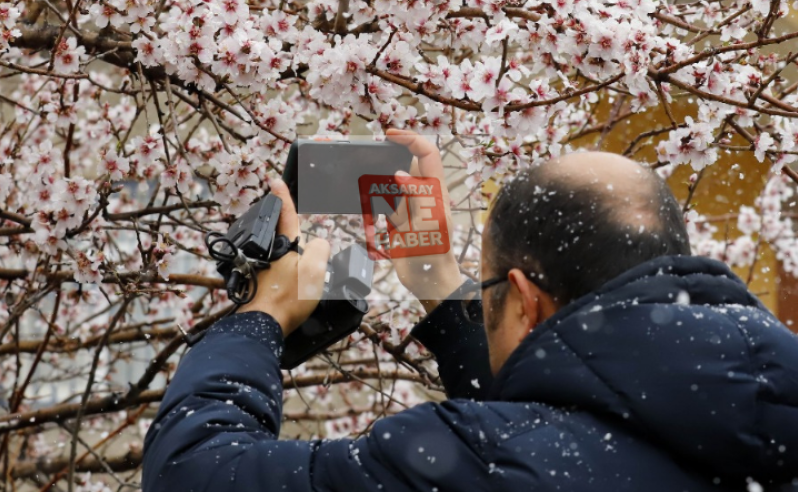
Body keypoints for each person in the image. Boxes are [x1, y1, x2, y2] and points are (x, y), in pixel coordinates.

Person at [142, 130, 798, 491]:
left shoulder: (482, 462)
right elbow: (577, 433)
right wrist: (439, 282)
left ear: (526, 299)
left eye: (490, 297)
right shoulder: (753, 420)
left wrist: (261, 315)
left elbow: (192, 474)